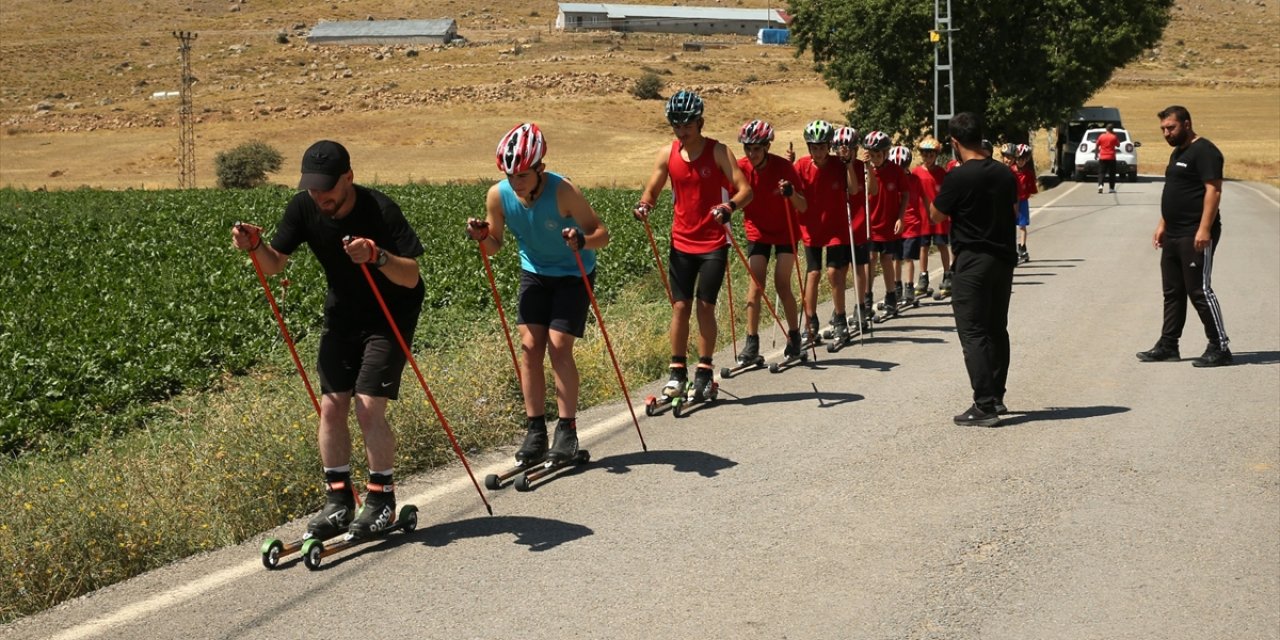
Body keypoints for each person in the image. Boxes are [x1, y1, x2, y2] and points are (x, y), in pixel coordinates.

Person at [231, 140, 425, 538]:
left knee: (369, 408)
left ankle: (380, 501)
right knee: (333, 406)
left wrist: (377, 256)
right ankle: (338, 503)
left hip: (390, 314)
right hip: (343, 314)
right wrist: (255, 246)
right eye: (313, 188)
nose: (320, 197)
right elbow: (274, 265)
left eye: (328, 188)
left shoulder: (380, 209)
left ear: (349, 178)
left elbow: (411, 277)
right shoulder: (304, 207)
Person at [467, 123, 610, 465]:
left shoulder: (563, 191)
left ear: (540, 169)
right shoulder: (497, 195)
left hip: (574, 272)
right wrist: (481, 236)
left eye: (523, 175)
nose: (516, 182)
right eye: (510, 175)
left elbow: (601, 233)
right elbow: (495, 246)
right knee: (530, 347)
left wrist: (581, 241)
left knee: (559, 346)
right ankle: (535, 432)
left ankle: (566, 430)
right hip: (535, 272)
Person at [635, 90, 752, 400]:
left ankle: (704, 369)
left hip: (714, 241)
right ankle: (677, 371)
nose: (681, 131)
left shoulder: (718, 152)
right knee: (680, 307)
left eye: (687, 125)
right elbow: (651, 191)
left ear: (700, 122)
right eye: (676, 125)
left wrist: (729, 208)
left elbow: (745, 190)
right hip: (682, 242)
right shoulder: (667, 154)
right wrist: (645, 206)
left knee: (704, 306)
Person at [928, 112, 1019, 427]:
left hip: (971, 262)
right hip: (1003, 260)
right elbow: (1014, 211)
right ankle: (996, 396)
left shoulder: (958, 176)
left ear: (954, 142)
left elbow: (936, 215)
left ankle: (983, 406)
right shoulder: (1006, 174)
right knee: (996, 329)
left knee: (973, 332)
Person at [1136, 105, 1232, 367]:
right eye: (1163, 129)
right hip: (1174, 232)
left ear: (1187, 124)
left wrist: (1204, 229)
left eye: (1171, 128)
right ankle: (1169, 345)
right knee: (1173, 291)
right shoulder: (1178, 151)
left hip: (1195, 232)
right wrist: (1162, 224)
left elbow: (1213, 191)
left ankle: (1219, 346)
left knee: (1199, 289)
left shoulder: (1205, 151)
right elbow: (1176, 190)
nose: (1167, 133)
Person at [734, 119, 807, 363]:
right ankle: (751, 343)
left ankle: (794, 336)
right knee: (755, 286)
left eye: (756, 148)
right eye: (747, 148)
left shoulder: (784, 167)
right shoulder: (741, 167)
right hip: (758, 231)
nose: (751, 154)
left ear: (766, 146)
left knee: (782, 284)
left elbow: (803, 205)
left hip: (786, 230)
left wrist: (791, 193)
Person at [793, 121, 864, 343]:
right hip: (811, 227)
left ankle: (840, 318)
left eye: (822, 147)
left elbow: (853, 189)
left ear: (829, 146)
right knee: (813, 273)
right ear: (808, 148)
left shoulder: (838, 164)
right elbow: (793, 191)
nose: (819, 152)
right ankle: (810, 321)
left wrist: (849, 164)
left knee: (834, 272)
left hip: (836, 227)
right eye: (814, 147)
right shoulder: (802, 166)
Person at [861, 130, 909, 313]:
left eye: (878, 155)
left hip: (888, 223)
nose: (875, 159)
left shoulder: (895, 171)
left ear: (886, 153)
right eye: (871, 155)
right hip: (869, 224)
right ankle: (866, 296)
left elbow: (905, 194)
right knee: (870, 259)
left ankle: (891, 295)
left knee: (887, 259)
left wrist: (901, 217)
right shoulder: (864, 169)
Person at [912, 137, 952, 297]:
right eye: (925, 154)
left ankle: (948, 275)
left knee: (942, 245)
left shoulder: (942, 173)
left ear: (936, 155)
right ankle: (923, 277)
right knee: (924, 247)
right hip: (922, 218)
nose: (928, 158)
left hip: (939, 217)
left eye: (931, 155)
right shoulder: (916, 173)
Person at [891, 145, 927, 305]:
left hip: (912, 225)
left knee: (907, 258)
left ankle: (909, 287)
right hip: (895, 225)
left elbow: (924, 198)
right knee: (895, 258)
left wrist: (930, 215)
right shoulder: (891, 181)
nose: (900, 170)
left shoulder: (915, 180)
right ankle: (896, 286)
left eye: (903, 166)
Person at [1013, 143, 1038, 263]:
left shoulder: (1028, 174)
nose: (1020, 162)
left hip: (1022, 201)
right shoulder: (1010, 171)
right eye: (1018, 159)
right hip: (1011, 201)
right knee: (1010, 225)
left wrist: (1027, 193)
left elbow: (1032, 188)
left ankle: (1022, 247)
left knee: (1022, 225)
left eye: (1023, 159)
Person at [1095, 124, 1120, 194]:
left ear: (1106, 129)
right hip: (1111, 157)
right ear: (1112, 130)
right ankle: (1111, 188)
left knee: (1101, 172)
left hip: (1102, 157)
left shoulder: (1101, 136)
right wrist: (1115, 136)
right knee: (1112, 173)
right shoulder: (1114, 137)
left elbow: (1097, 145)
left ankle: (1100, 185)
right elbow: (1118, 145)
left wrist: (1096, 154)